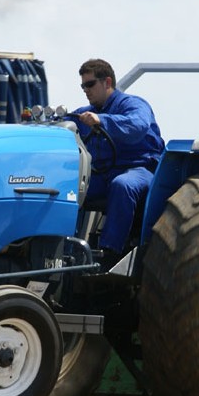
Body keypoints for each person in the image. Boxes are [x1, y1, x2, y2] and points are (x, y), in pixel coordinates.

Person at [70, 58, 165, 263]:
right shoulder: (84, 114)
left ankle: (109, 253)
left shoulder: (133, 104)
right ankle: (66, 249)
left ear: (107, 82)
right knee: (69, 187)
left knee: (122, 185)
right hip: (103, 172)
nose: (86, 90)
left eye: (90, 84)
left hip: (140, 169)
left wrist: (102, 120)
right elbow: (63, 125)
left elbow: (137, 126)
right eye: (83, 86)